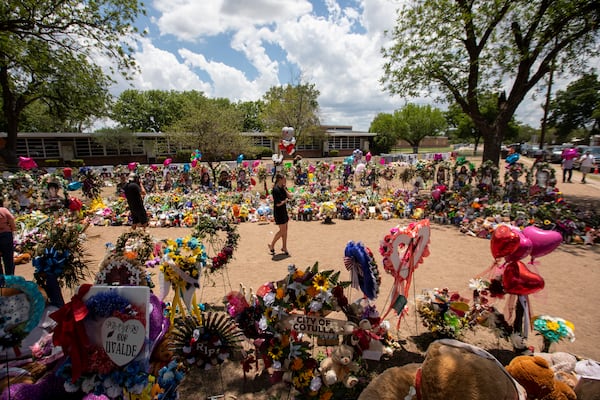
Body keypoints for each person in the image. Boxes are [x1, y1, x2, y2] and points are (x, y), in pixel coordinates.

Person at [268, 173, 292, 256]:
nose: (285, 180)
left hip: (284, 211)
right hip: (278, 212)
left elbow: (290, 196)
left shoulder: (282, 188)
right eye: (284, 179)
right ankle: (272, 245)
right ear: (279, 179)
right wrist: (284, 201)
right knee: (282, 231)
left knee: (285, 230)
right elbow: (277, 204)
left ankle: (284, 247)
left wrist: (285, 189)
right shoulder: (275, 190)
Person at [0, 203, 17, 275]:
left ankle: (1, 280)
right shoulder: (3, 210)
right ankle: (10, 278)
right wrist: (13, 228)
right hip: (5, 235)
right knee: (8, 258)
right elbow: (11, 219)